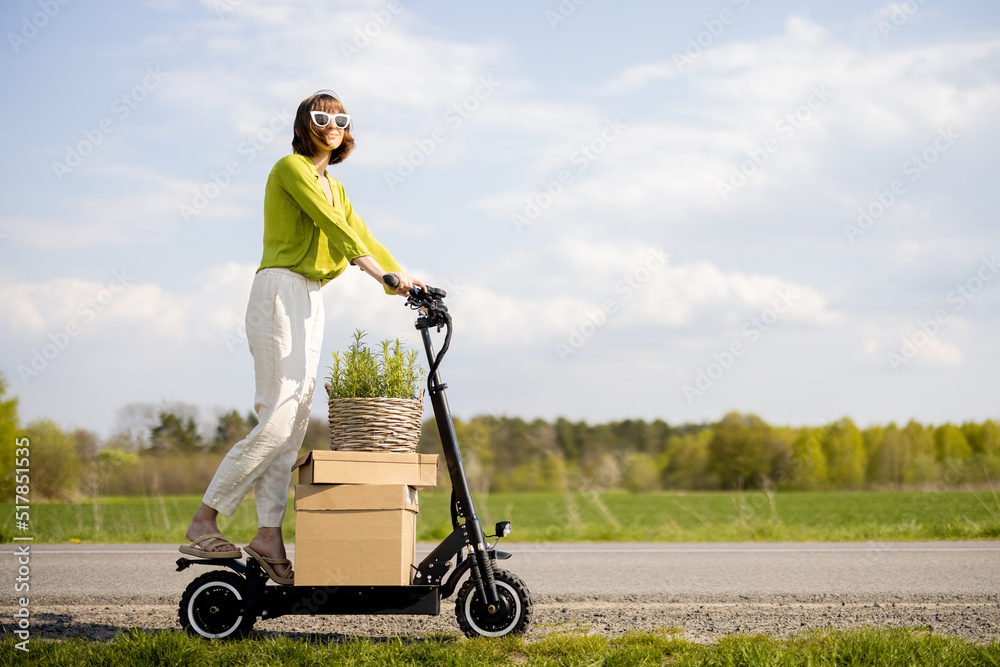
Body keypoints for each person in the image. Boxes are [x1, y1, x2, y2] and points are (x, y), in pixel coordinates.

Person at [180, 90, 423, 585]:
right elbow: (335, 228)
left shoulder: (335, 185)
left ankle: (268, 535)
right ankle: (204, 519)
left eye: (340, 118)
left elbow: (362, 232)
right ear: (304, 124)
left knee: (291, 431)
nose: (331, 124)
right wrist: (382, 278)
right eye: (321, 116)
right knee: (275, 422)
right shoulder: (290, 168)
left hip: (310, 298)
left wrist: (406, 279)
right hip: (279, 291)